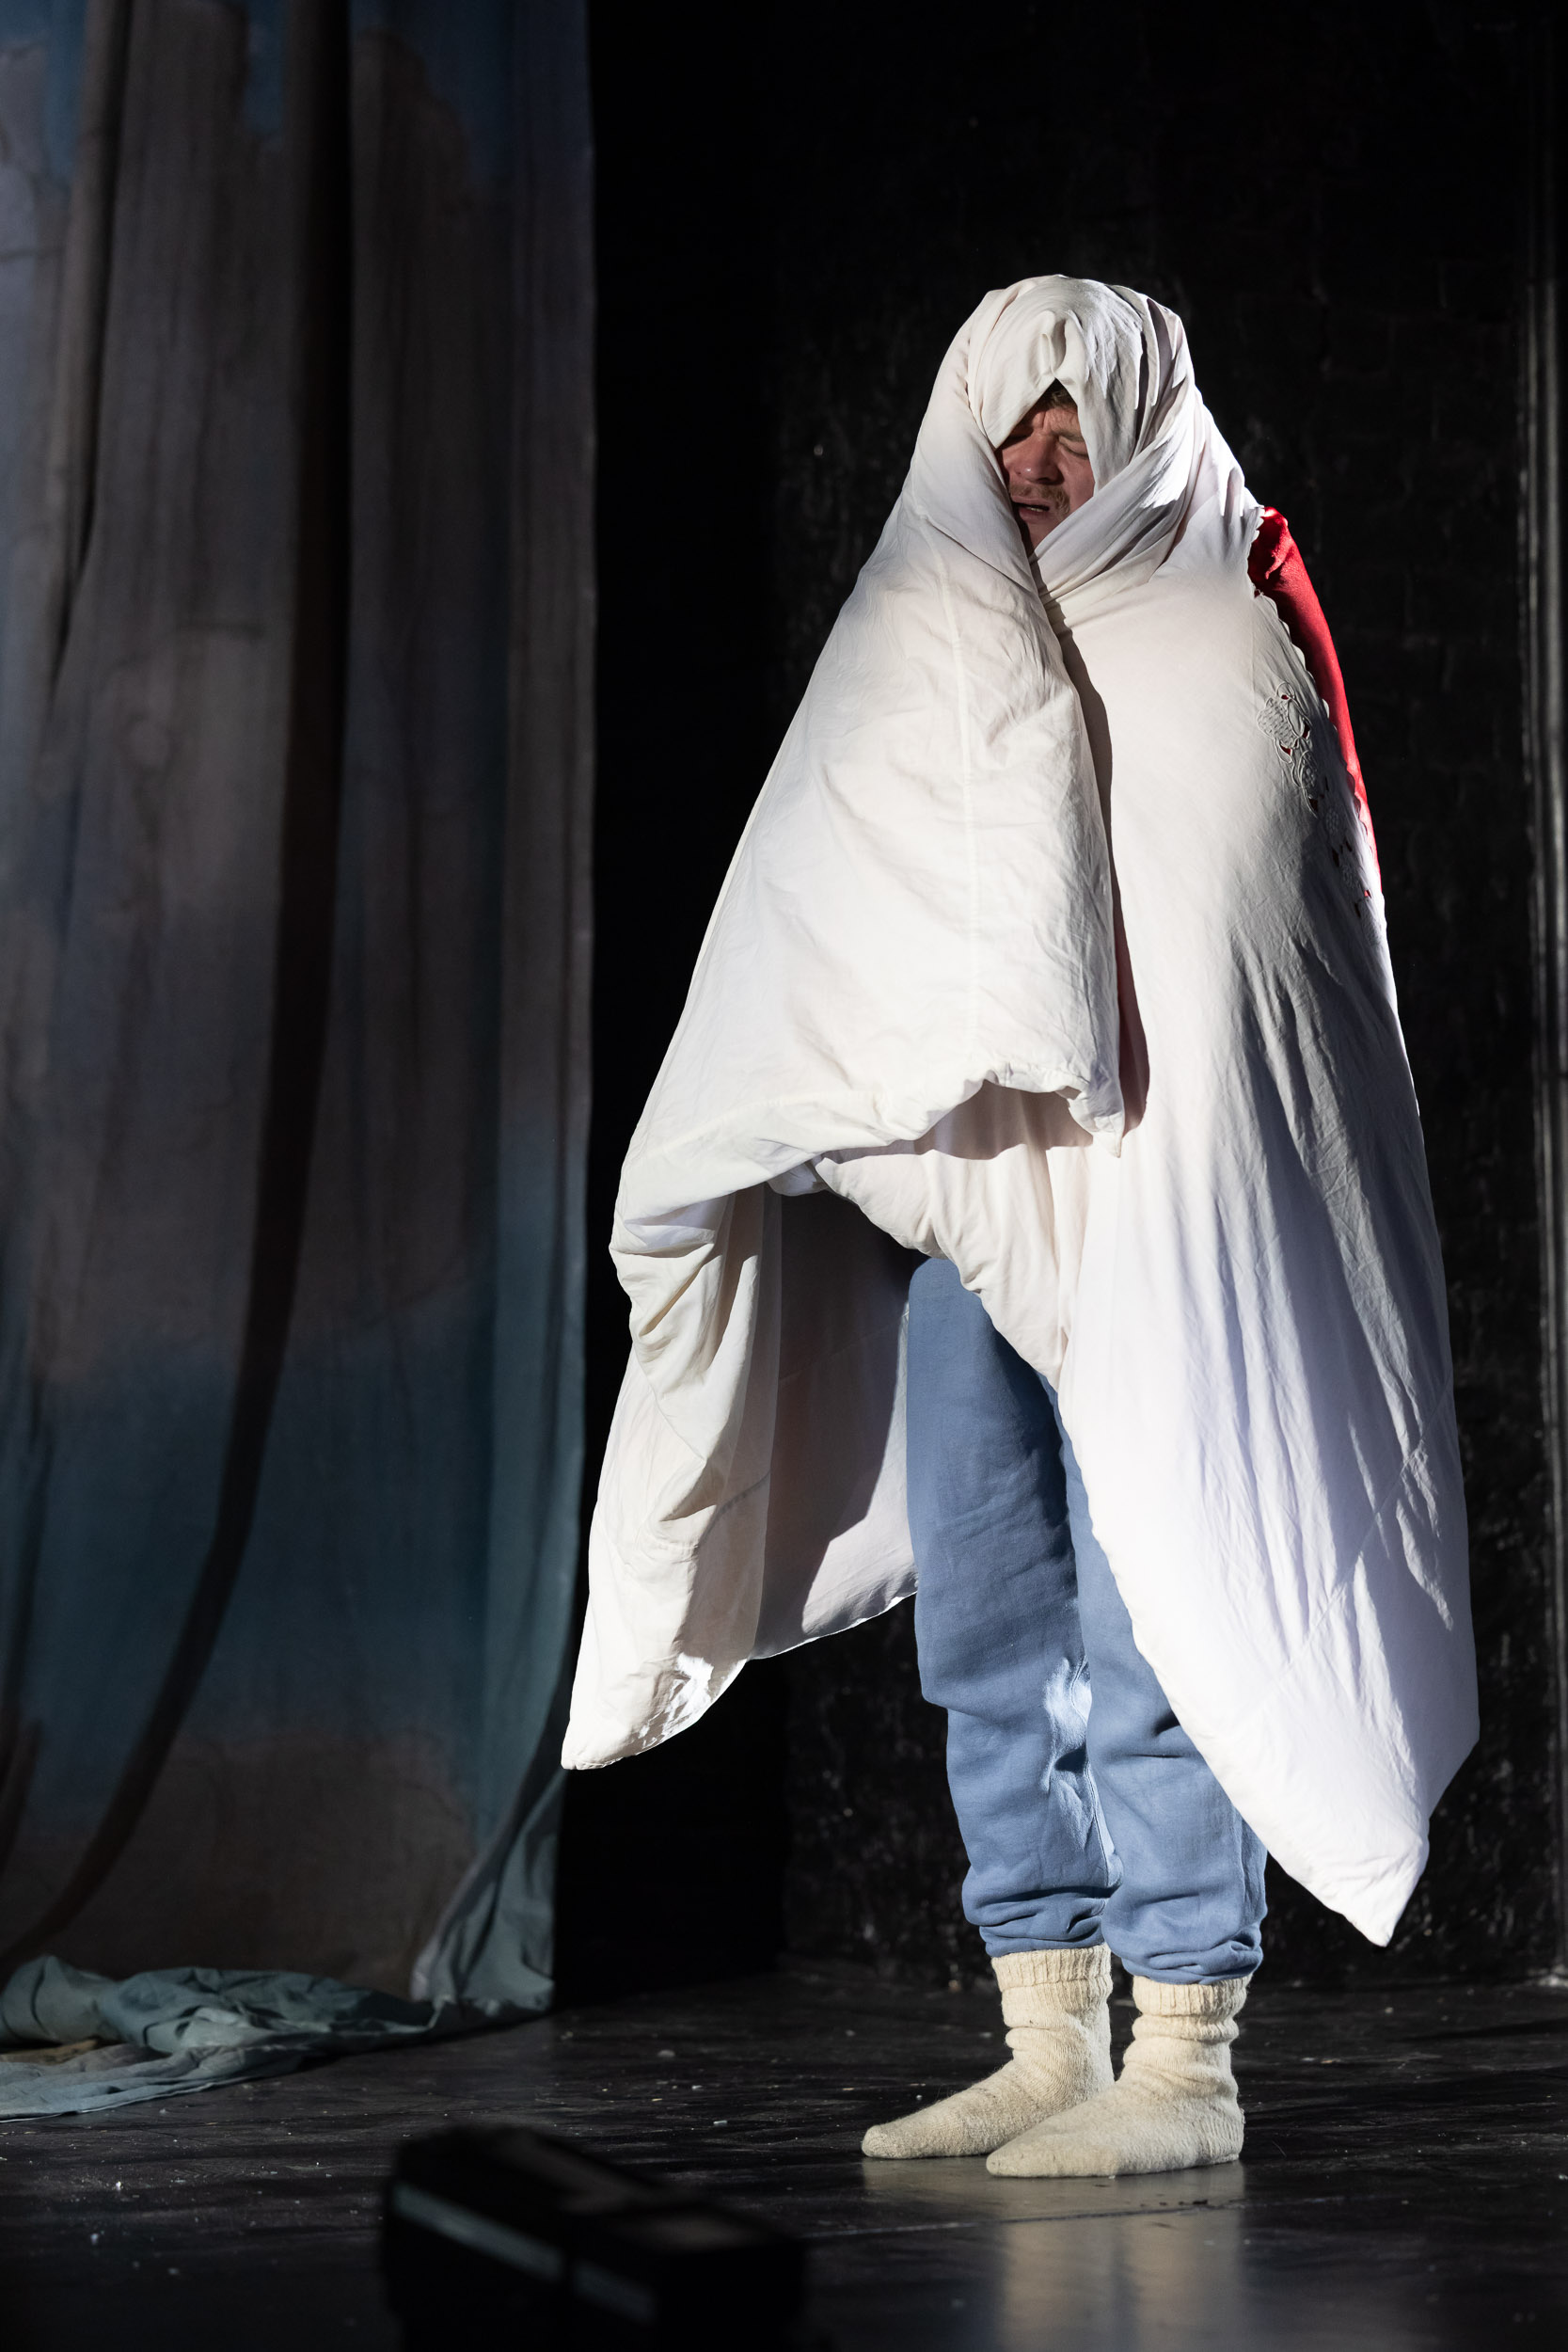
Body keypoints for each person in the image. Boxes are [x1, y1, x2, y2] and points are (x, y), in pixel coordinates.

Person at [564, 278, 1477, 2180]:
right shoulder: (920, 630)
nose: (1047, 467)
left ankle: (1187, 2049)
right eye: (1017, 437)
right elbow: (833, 898)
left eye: (1077, 432)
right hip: (986, 1237)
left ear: (1141, 430)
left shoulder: (1220, 632)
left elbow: (1263, 956)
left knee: (1160, 1610)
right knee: (990, 1629)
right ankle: (1047, 2034)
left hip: (1169, 1221)